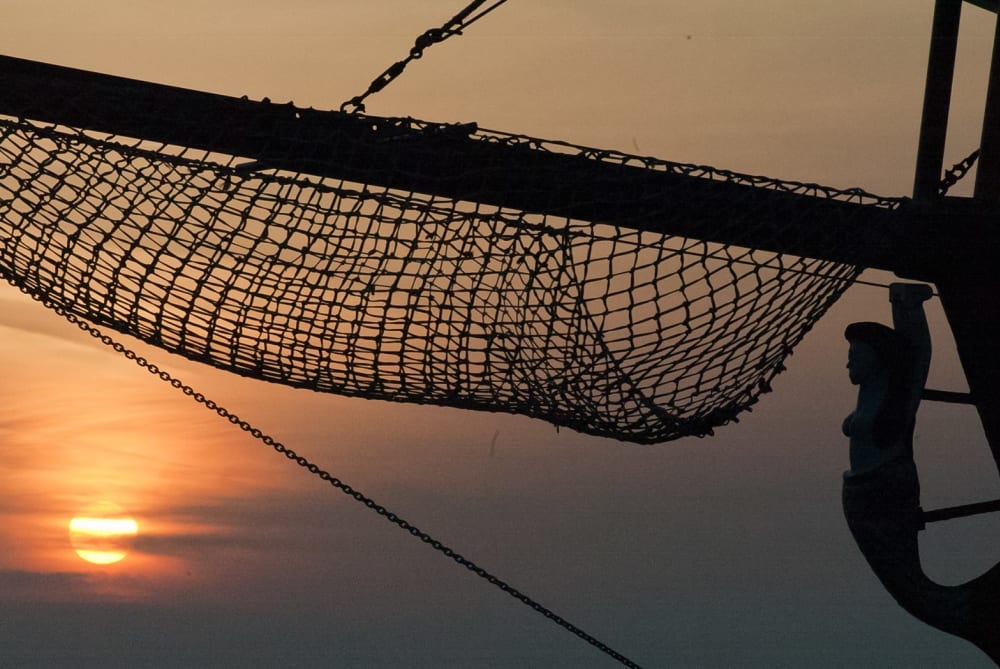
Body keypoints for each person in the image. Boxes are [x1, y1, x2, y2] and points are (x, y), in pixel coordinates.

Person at [841, 283, 1000, 663]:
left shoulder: (893, 400)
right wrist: (899, 301)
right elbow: (906, 354)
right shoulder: (872, 393)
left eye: (855, 355)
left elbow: (916, 358)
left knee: (915, 592)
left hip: (883, 495)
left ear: (876, 360)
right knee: (911, 592)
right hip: (867, 501)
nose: (848, 364)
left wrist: (908, 305)